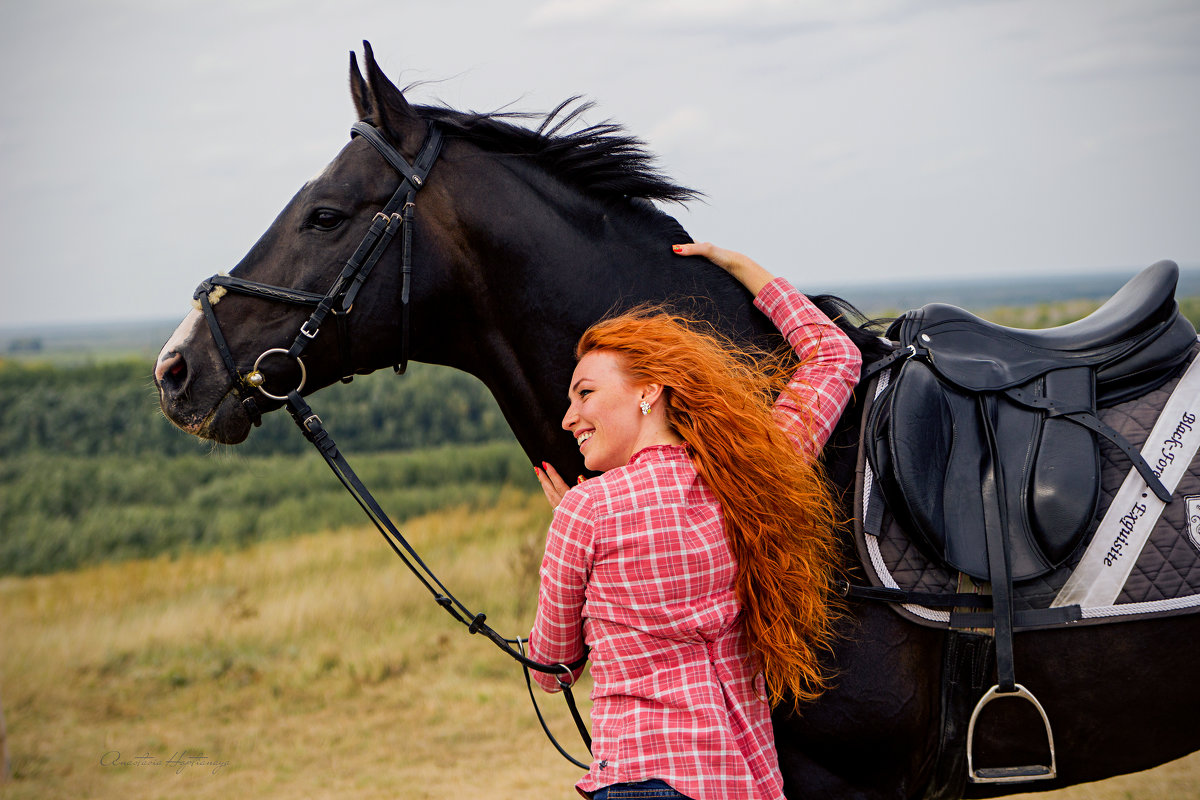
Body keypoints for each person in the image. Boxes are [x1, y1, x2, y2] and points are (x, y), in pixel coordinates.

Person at [530, 242, 862, 800]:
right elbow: (834, 357)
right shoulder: (754, 473)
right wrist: (740, 267)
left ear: (649, 391)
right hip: (743, 781)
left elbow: (552, 669)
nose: (569, 418)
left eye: (585, 393)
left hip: (639, 780)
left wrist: (569, 527)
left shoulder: (584, 511)